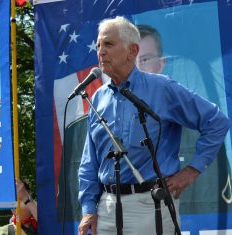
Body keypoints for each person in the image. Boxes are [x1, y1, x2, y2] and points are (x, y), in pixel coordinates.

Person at [78, 16, 229, 235]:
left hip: (151, 206)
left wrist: (191, 171)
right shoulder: (98, 97)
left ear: (132, 51)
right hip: (107, 209)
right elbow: (89, 161)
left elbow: (216, 122)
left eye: (108, 44)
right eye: (99, 45)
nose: (100, 51)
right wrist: (89, 209)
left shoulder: (162, 88)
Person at [137, 24, 232, 213]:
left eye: (145, 59)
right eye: (131, 60)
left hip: (165, 208)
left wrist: (192, 170)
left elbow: (218, 123)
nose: (138, 68)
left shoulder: (185, 113)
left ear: (161, 64)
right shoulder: (107, 104)